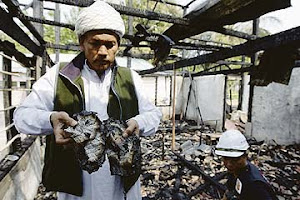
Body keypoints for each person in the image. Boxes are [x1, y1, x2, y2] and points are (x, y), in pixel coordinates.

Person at [13, 1, 162, 200]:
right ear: (81, 43)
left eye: (110, 44)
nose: (102, 51)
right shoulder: (59, 76)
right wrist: (50, 120)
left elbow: (154, 114)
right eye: (95, 43)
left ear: (118, 46)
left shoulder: (131, 78)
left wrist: (139, 123)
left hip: (120, 187)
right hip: (75, 187)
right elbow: (21, 117)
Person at [215, 130, 278, 200]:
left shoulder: (255, 185)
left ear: (245, 156)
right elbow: (228, 192)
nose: (229, 164)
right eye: (226, 158)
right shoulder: (235, 172)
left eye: (235, 159)